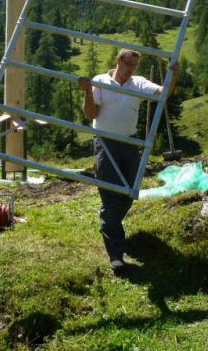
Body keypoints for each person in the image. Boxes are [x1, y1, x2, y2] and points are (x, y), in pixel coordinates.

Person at [78, 49, 179, 272]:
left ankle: (109, 223)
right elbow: (90, 115)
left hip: (130, 143)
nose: (131, 69)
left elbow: (163, 94)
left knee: (130, 192)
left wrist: (173, 75)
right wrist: (87, 91)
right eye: (128, 64)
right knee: (111, 197)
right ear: (118, 61)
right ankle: (116, 254)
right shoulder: (100, 81)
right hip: (105, 143)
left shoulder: (138, 82)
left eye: (135, 65)